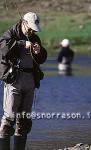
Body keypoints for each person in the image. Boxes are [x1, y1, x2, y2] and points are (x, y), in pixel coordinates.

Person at [0, 12, 47, 150]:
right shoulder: (10, 34)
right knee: (9, 120)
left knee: (24, 121)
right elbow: (3, 50)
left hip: (30, 81)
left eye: (34, 29)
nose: (32, 31)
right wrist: (21, 44)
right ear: (23, 22)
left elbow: (42, 59)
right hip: (14, 81)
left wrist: (39, 52)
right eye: (30, 28)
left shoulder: (34, 37)